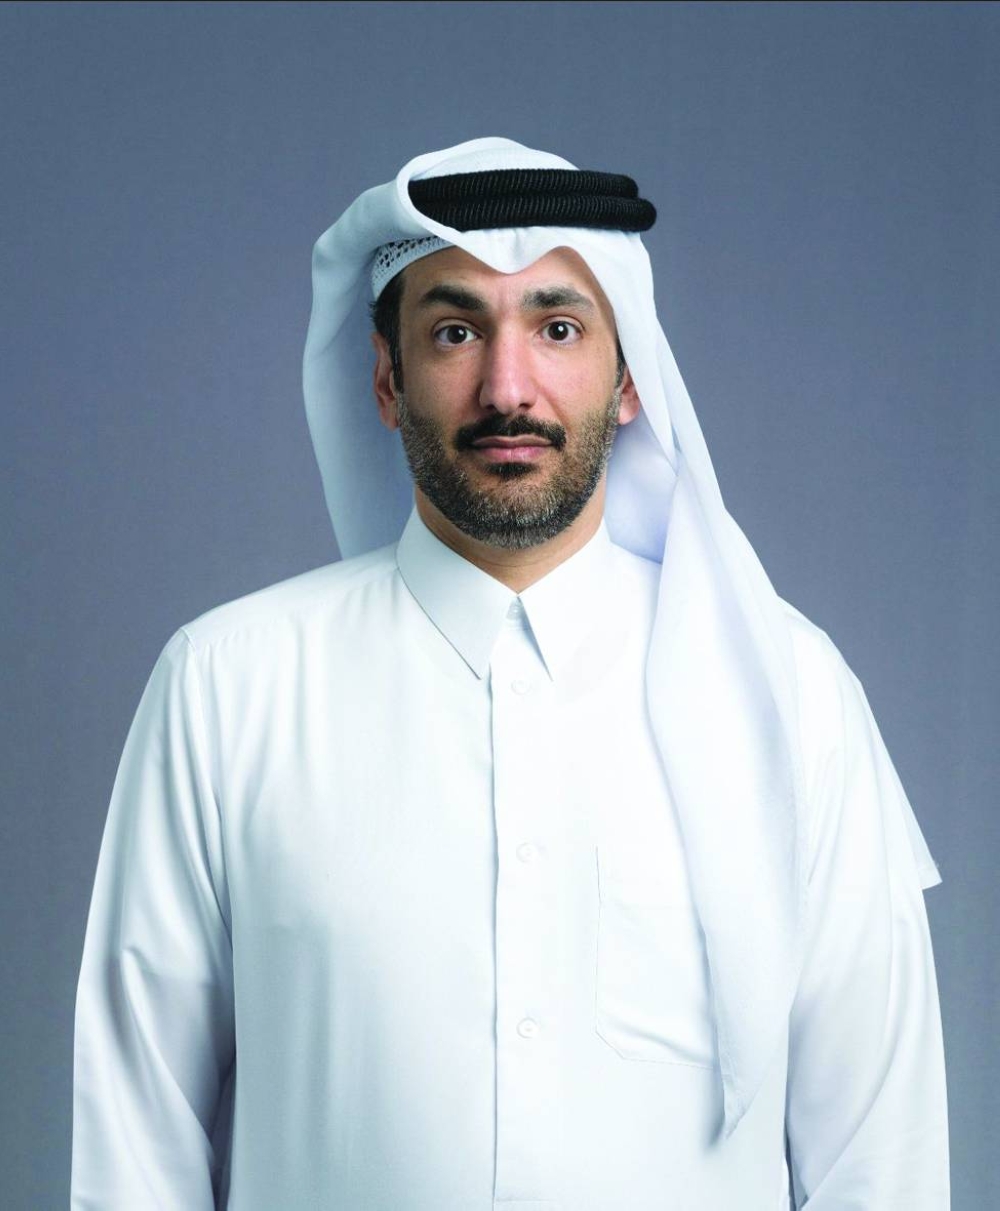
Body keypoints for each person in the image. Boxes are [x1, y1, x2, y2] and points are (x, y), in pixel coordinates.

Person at [71, 139, 949, 1210]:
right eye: (455, 331)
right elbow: (136, 1136)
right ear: (387, 380)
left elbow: (879, 1153)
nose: (507, 387)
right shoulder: (226, 687)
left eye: (558, 327)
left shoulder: (787, 692)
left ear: (629, 379)